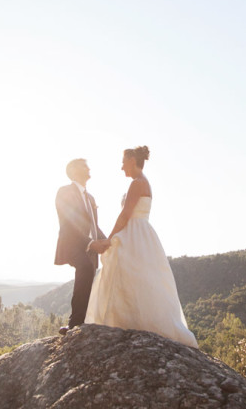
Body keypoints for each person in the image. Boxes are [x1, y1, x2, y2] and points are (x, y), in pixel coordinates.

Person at [86, 146, 198, 348]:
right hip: (140, 234)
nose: (121, 168)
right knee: (139, 278)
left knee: (131, 276)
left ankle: (130, 323)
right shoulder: (142, 182)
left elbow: (125, 215)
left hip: (135, 233)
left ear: (131, 160)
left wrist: (109, 239)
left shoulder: (138, 183)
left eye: (123, 162)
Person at [55, 158, 106, 336]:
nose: (89, 168)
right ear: (75, 170)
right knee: (84, 268)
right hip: (72, 243)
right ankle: (74, 324)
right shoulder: (64, 192)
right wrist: (91, 243)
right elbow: (69, 222)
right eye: (85, 165)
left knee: (89, 278)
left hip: (89, 247)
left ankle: (84, 321)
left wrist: (109, 241)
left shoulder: (90, 197)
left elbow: (94, 225)